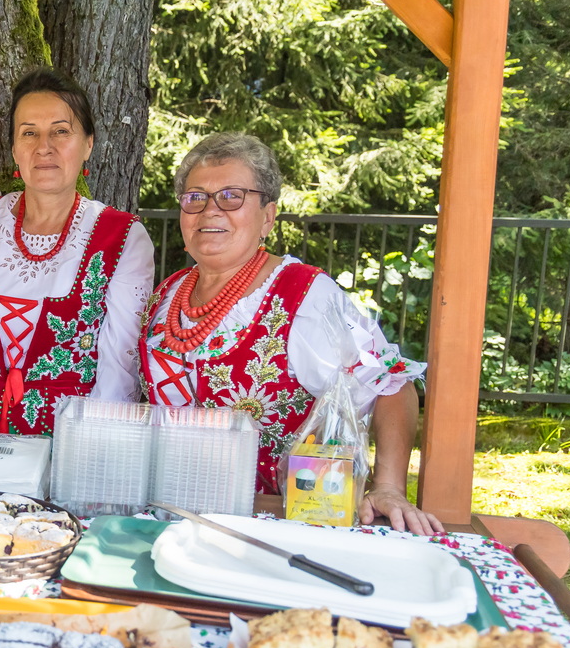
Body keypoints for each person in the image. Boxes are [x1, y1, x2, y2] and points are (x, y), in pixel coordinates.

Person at [139, 132, 439, 534]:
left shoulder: (306, 295)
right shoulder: (168, 292)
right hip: (160, 515)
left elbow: (392, 385)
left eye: (231, 196)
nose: (210, 211)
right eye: (196, 198)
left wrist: (388, 487)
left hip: (270, 524)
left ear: (267, 216)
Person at [0, 67, 155, 435]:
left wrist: (81, 452)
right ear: (15, 149)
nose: (44, 146)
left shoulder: (122, 238)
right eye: (29, 133)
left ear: (88, 144)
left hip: (74, 448)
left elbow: (120, 366)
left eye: (61, 131)